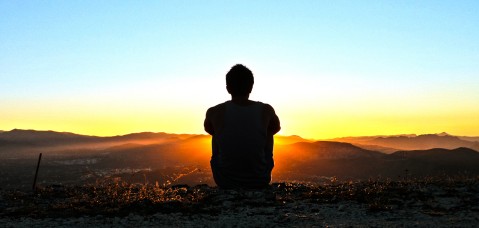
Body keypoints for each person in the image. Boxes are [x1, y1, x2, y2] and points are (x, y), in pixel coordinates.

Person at [204, 64, 281, 189]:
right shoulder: (266, 110)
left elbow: (209, 129)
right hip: (260, 180)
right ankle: (257, 169)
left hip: (224, 181)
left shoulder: (214, 111)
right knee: (269, 132)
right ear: (251, 87)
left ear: (228, 88)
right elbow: (276, 128)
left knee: (216, 133)